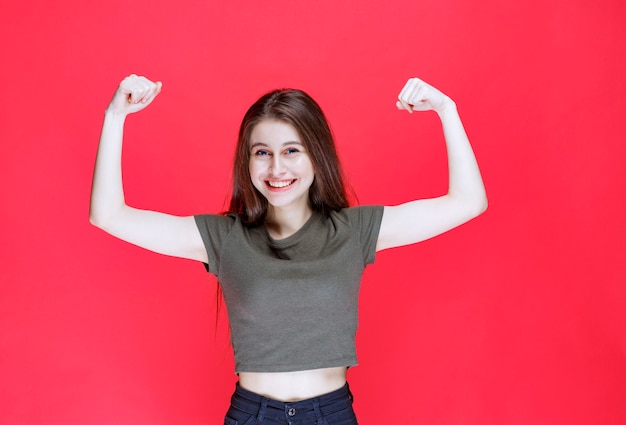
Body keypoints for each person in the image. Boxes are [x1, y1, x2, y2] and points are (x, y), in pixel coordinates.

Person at [90, 74, 487, 424]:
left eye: (291, 150)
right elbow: (108, 215)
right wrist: (115, 116)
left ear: (317, 155)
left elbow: (468, 202)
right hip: (253, 415)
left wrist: (446, 109)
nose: (277, 168)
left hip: (331, 414)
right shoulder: (224, 238)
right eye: (262, 152)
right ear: (248, 162)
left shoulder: (354, 231)